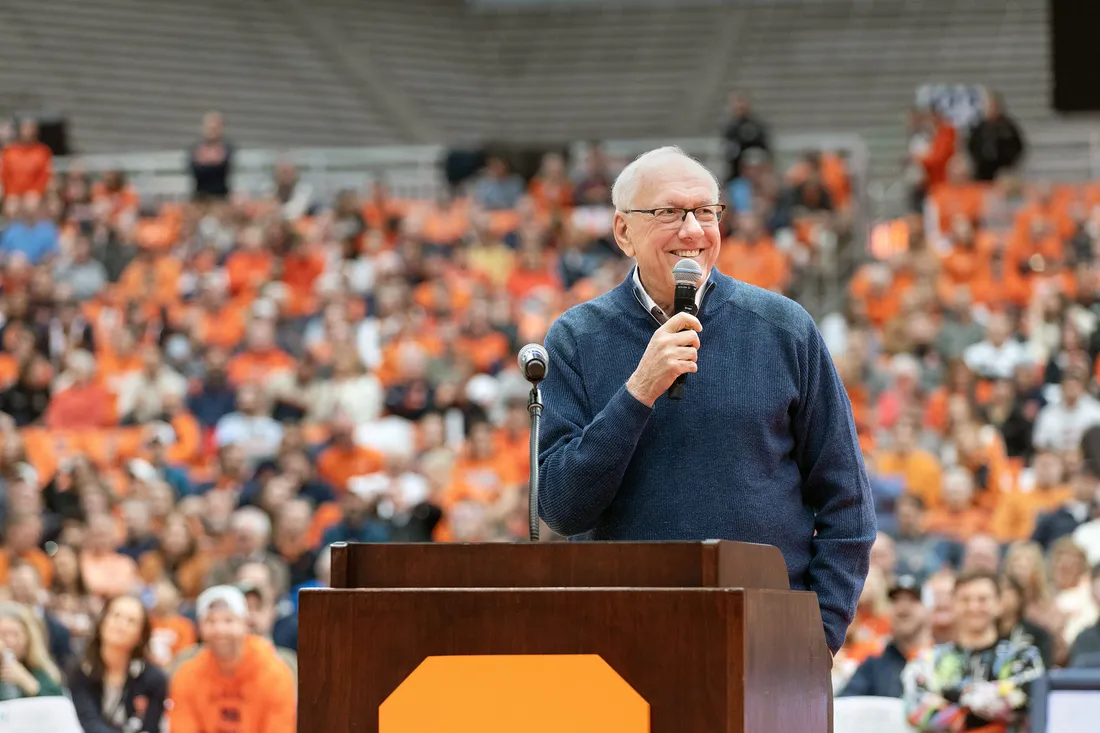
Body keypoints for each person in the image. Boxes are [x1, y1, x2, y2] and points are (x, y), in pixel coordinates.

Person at [537, 146, 875, 655]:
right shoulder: (577, 338)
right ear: (623, 231)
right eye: (669, 213)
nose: (693, 231)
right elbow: (562, 508)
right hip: (622, 637)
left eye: (706, 212)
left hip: (765, 641)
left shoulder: (784, 329)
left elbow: (847, 499)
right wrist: (638, 391)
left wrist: (818, 633)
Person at [903, 571, 1043, 732]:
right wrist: (988, 703)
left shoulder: (1023, 657)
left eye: (982, 599)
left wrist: (951, 697)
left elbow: (1025, 699)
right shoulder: (928, 660)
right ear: (953, 604)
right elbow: (916, 710)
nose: (973, 607)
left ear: (998, 604)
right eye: (965, 600)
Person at [168, 585, 296, 733]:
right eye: (210, 621)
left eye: (228, 620)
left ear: (245, 624)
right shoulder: (187, 675)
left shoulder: (274, 673)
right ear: (200, 628)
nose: (219, 630)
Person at [68, 595, 168, 733]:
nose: (121, 624)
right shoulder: (82, 670)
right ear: (102, 622)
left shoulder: (154, 679)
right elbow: (88, 722)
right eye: (116, 616)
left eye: (131, 621)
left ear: (141, 636)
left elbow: (150, 727)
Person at [839, 575, 930, 698]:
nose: (903, 608)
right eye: (896, 600)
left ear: (927, 608)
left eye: (913, 600)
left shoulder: (942, 660)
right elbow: (844, 703)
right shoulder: (873, 666)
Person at [0, 601, 64, 701]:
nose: (9, 641)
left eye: (15, 634)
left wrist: (26, 681)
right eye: (3, 634)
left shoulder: (39, 671)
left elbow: (58, 704)